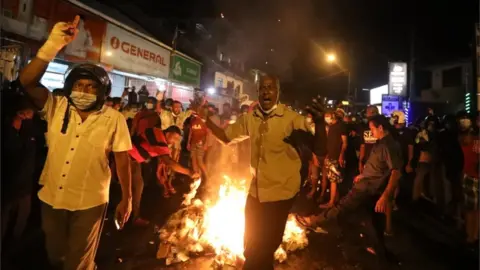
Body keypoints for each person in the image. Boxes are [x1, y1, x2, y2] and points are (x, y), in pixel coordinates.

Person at [18, 21, 132, 270]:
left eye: (91, 87)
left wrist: (127, 198)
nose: (84, 91)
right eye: (79, 86)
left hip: (90, 202)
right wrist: (53, 46)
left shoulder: (114, 119)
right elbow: (27, 81)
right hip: (51, 198)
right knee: (55, 254)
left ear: (101, 92)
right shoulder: (56, 106)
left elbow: (123, 159)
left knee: (78, 262)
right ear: (71, 88)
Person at [199, 74, 326, 270]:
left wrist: (319, 124)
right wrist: (205, 119)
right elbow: (225, 137)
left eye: (271, 87)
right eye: (262, 88)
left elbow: (320, 149)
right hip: (255, 193)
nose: (266, 91)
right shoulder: (249, 119)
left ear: (278, 92)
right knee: (250, 247)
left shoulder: (292, 119)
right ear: (258, 93)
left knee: (265, 247)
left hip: (280, 194)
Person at [296, 115, 402, 267]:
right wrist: (362, 175)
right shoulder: (382, 143)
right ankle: (382, 254)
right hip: (368, 187)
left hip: (366, 190)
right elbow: (378, 168)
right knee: (374, 224)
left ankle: (313, 221)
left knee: (342, 208)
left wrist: (385, 196)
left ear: (380, 128)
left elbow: (395, 172)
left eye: (372, 128)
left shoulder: (388, 146)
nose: (371, 131)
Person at [2, 96, 36, 252]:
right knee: (5, 216)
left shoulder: (30, 132)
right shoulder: (7, 132)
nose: (29, 117)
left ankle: (14, 245)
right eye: (26, 114)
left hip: (24, 184)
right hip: (8, 184)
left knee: (22, 216)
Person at [318, 110, 348, 208]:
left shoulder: (341, 126)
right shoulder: (331, 127)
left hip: (336, 157)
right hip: (330, 156)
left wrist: (341, 155)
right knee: (333, 179)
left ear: (333, 116)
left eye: (328, 116)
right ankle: (336, 200)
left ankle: (331, 203)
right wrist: (327, 154)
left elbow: (344, 143)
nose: (326, 118)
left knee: (334, 180)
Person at [459, 114, 479, 246]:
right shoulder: (468, 137)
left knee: (474, 210)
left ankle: (473, 235)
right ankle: (471, 235)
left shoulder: (469, 137)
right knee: (472, 209)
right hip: (471, 176)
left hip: (471, 176)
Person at [359, 105, 379, 173]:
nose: (366, 115)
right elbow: (363, 145)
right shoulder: (364, 127)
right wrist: (361, 161)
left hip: (378, 162)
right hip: (367, 161)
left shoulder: (381, 127)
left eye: (367, 112)